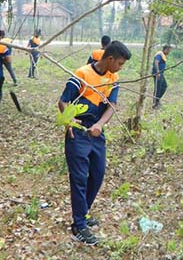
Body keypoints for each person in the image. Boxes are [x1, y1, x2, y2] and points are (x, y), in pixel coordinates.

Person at [58, 41, 132, 246]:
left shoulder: (113, 78)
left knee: (97, 175)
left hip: (96, 133)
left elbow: (112, 104)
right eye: (120, 63)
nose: (120, 67)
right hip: (78, 133)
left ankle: (83, 213)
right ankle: (79, 224)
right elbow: (63, 101)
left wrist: (100, 124)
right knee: (79, 178)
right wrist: (69, 119)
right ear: (109, 59)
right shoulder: (82, 74)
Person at [152, 44, 171, 109]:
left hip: (161, 74)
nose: (169, 52)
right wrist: (158, 72)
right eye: (169, 50)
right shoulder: (159, 54)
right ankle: (155, 103)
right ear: (166, 49)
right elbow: (156, 62)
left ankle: (157, 100)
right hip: (158, 74)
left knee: (164, 86)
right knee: (157, 88)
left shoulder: (163, 55)